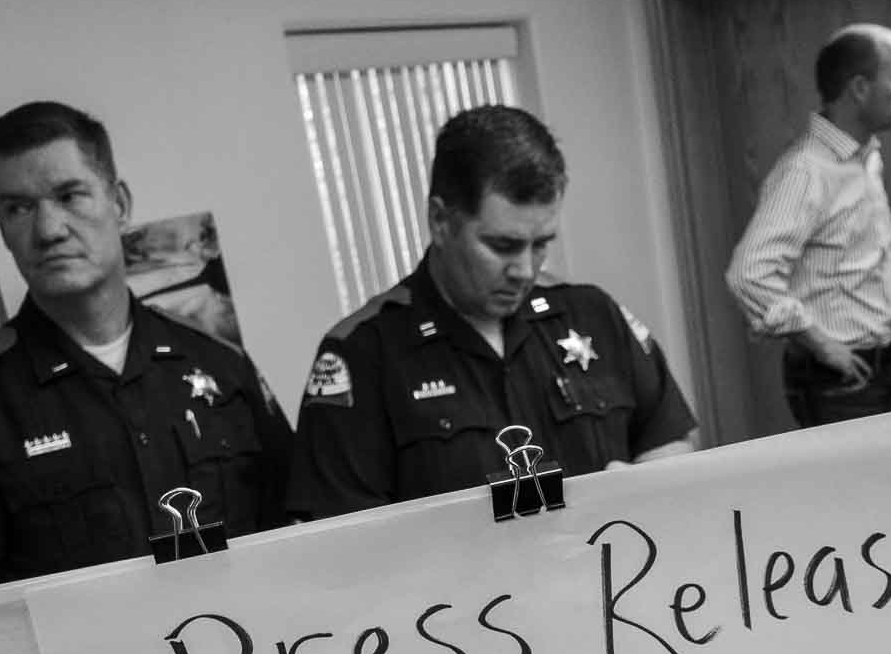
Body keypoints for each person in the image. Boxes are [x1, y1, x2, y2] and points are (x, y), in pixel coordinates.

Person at [0, 101, 293, 598]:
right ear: (1, 228)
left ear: (119, 203)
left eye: (69, 195)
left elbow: (295, 538)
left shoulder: (220, 365)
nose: (49, 229)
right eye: (18, 208)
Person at [286, 105, 696, 519]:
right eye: (502, 246)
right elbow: (340, 540)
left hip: (610, 572)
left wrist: (643, 488)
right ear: (441, 221)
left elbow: (671, 440)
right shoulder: (363, 353)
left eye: (541, 244)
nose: (524, 270)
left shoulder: (592, 313)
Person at [724, 24, 891, 427]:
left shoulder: (866, 157)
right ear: (860, 87)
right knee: (861, 492)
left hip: (883, 366)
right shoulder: (806, 172)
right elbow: (748, 274)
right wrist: (819, 342)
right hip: (839, 380)